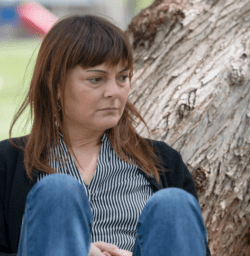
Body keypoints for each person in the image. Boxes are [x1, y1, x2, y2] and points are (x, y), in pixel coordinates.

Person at [0, 14, 211, 256]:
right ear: (55, 84)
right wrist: (71, 249)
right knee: (57, 192)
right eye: (96, 79)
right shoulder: (7, 162)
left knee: (174, 204)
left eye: (122, 78)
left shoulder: (165, 161)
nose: (114, 92)